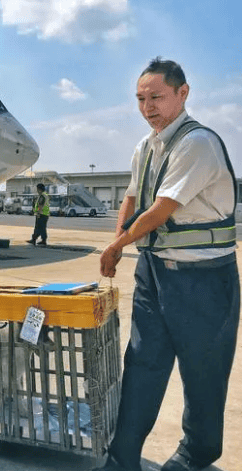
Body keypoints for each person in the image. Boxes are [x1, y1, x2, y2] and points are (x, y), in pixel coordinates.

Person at [95, 58, 239, 471]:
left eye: (156, 97)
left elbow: (160, 209)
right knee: (141, 363)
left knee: (203, 372)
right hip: (155, 272)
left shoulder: (197, 143)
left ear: (183, 93)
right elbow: (131, 197)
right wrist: (117, 242)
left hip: (204, 279)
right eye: (141, 99)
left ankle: (197, 454)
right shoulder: (146, 146)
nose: (147, 107)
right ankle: (122, 458)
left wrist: (120, 243)